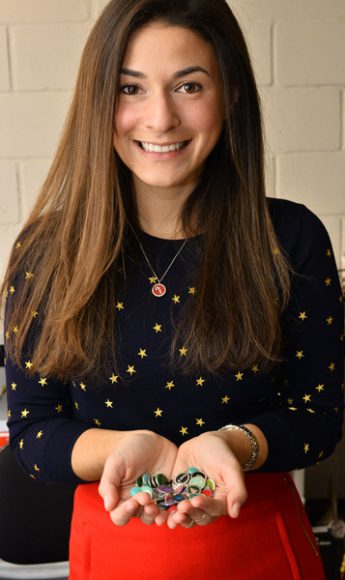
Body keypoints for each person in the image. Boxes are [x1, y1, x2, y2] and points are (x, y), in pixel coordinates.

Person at [1, 0, 344, 578]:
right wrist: (122, 449)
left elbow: (318, 416)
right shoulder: (46, 250)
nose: (159, 118)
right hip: (112, 544)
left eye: (188, 85)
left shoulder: (291, 238)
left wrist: (233, 445)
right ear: (97, 102)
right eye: (129, 89)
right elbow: (33, 432)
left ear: (231, 94)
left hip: (260, 546)